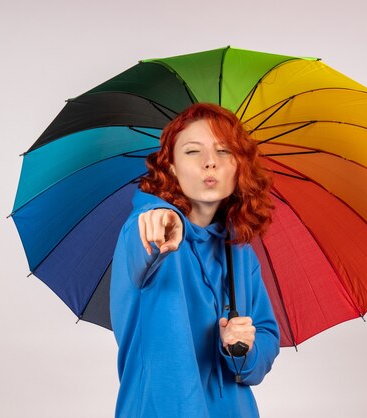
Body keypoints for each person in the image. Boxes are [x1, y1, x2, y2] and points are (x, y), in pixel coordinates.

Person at [110, 103, 280, 418]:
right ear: (170, 167)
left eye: (224, 151)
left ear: (238, 166)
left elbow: (264, 345)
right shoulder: (149, 230)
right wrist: (161, 219)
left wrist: (242, 349)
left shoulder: (241, 252)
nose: (210, 163)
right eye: (192, 152)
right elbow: (143, 246)